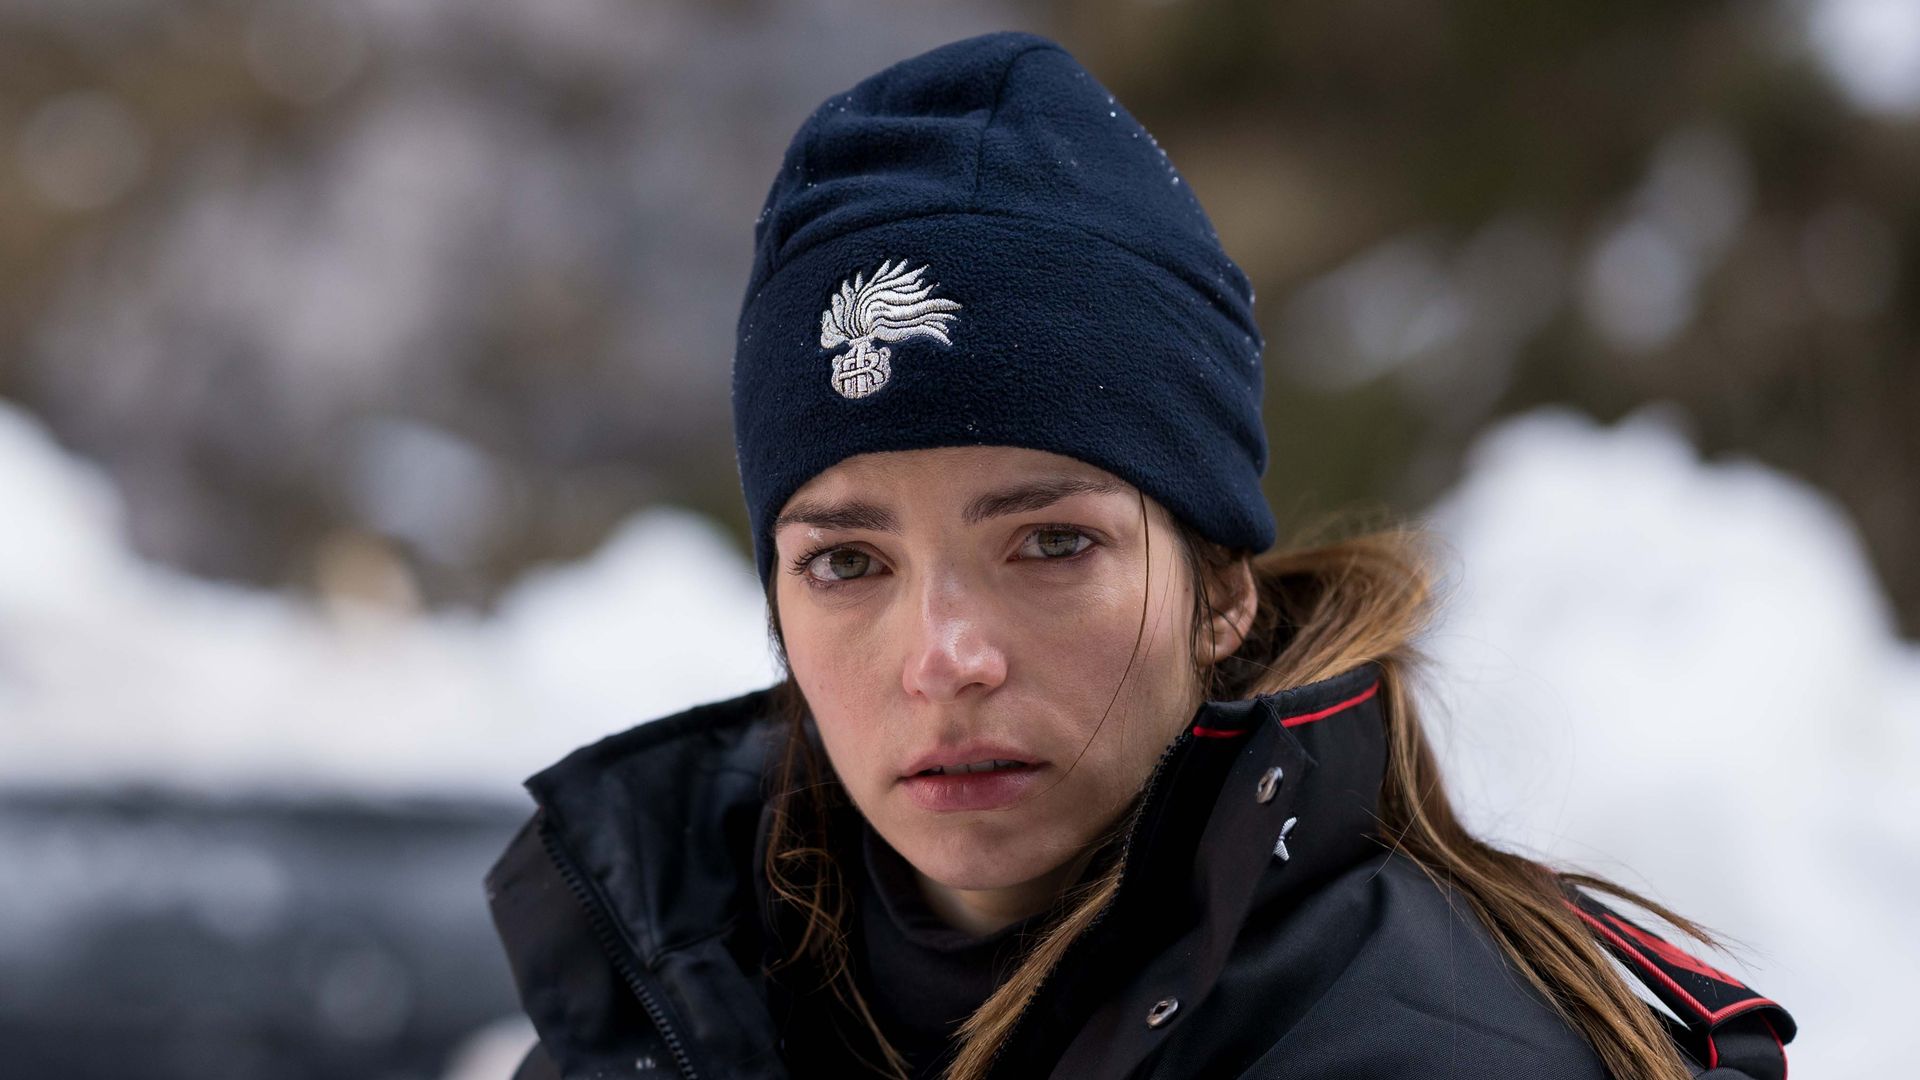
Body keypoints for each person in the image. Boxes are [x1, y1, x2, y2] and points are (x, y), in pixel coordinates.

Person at [484, 30, 1794, 1080]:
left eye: (1050, 543)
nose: (947, 659)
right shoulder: (668, 999)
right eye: (847, 564)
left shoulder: (1420, 1045)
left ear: (1219, 586)